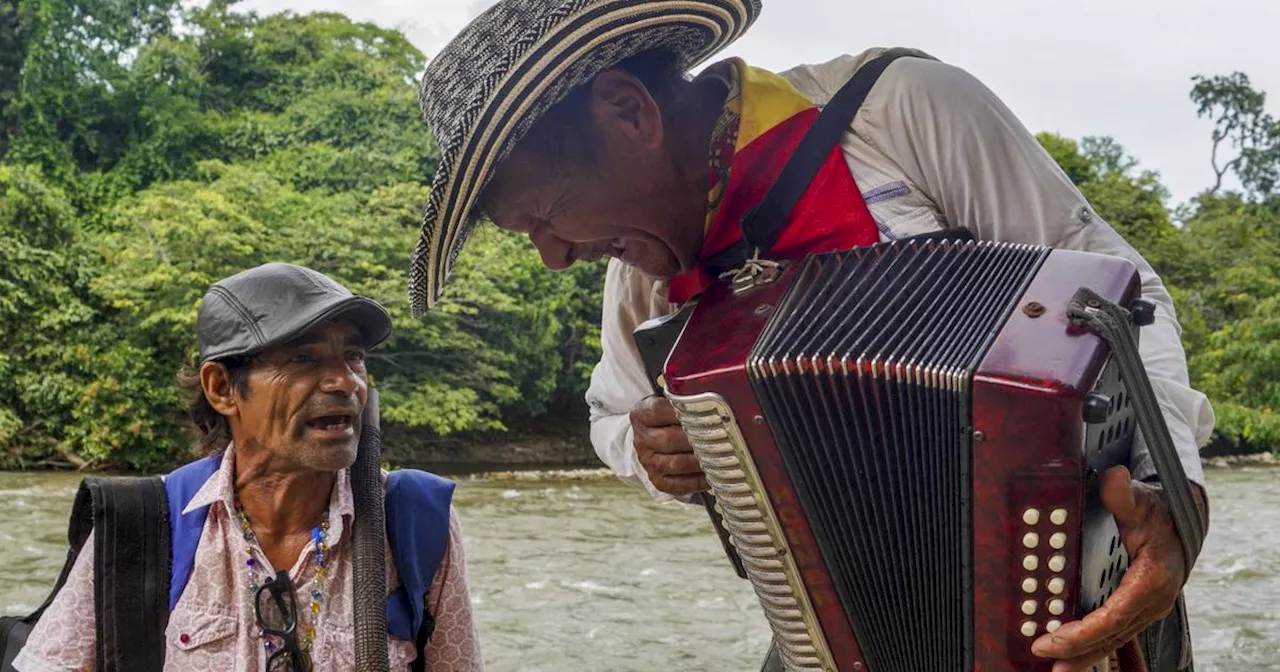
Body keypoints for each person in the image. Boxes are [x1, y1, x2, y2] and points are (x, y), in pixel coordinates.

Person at [408, 1, 1210, 670]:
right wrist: (652, 455)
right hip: (841, 633)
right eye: (528, 236)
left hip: (1076, 595)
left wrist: (1176, 501)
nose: (553, 258)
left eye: (546, 214)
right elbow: (611, 414)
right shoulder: (643, 280)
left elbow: (1115, 290)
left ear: (630, 111)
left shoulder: (897, 112)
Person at [14, 263, 482, 671]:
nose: (346, 382)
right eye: (303, 358)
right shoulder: (137, 528)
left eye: (353, 356)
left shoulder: (416, 522)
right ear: (222, 388)